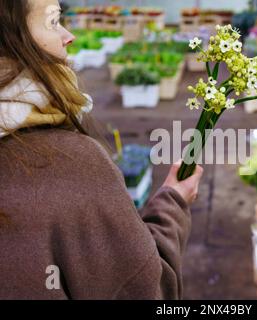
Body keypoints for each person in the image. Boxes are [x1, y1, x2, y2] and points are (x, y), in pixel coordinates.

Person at [0, 0, 203, 299]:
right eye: (54, 22)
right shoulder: (69, 163)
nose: (69, 36)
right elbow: (146, 290)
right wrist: (173, 203)